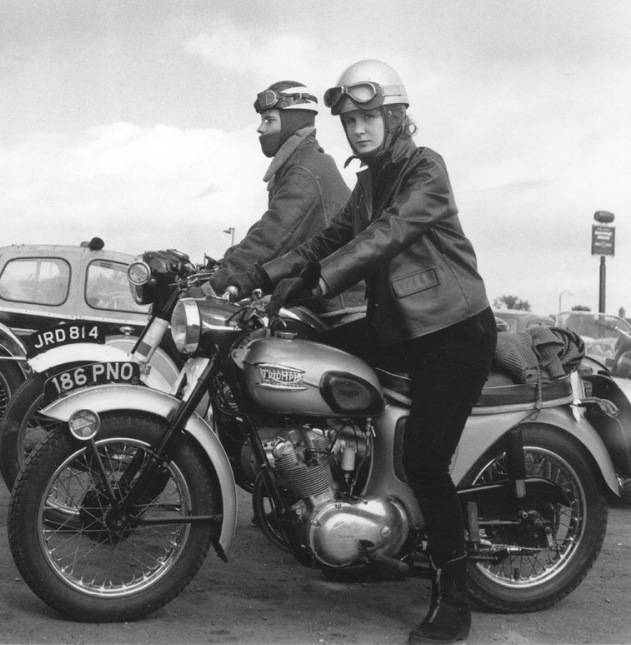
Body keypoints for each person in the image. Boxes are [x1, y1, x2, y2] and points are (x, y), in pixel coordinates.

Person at [232, 60, 496, 645]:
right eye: (350, 120)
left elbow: (386, 235)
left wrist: (321, 281)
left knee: (425, 461)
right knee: (299, 349)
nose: (358, 128)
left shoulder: (425, 169)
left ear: (397, 116)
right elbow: (330, 238)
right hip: (397, 327)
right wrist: (261, 277)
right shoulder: (369, 182)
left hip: (453, 333)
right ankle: (332, 495)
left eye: (369, 116)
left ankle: (453, 599)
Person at [206, 80, 365, 330]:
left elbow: (273, 236)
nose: (260, 128)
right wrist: (223, 263)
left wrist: (218, 283)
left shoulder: (305, 169)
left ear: (292, 123)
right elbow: (266, 228)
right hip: (322, 299)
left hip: (340, 310)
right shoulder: (299, 163)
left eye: (269, 120)